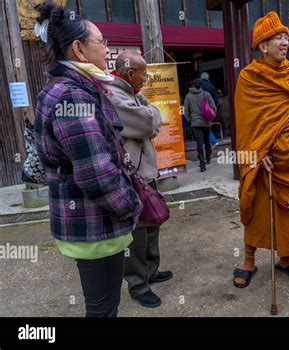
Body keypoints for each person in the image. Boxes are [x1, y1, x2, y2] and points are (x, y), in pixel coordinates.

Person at [34, 2, 143, 317]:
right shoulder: (72, 96)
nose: (108, 48)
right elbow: (96, 175)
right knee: (102, 309)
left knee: (104, 305)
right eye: (102, 41)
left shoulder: (73, 88)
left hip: (90, 222)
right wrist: (132, 205)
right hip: (94, 223)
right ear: (79, 50)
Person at [233, 12, 289, 288]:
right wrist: (257, 155)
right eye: (277, 38)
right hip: (264, 160)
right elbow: (247, 124)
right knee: (258, 209)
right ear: (263, 46)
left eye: (286, 37)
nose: (285, 42)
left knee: (288, 213)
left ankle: (285, 258)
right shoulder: (249, 78)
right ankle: (249, 260)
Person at [108, 50, 172, 308]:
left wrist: (150, 115)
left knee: (153, 224)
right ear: (131, 73)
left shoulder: (132, 93)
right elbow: (149, 123)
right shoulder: (114, 95)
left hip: (145, 174)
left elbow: (156, 117)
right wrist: (150, 115)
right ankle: (137, 283)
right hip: (131, 178)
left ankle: (151, 271)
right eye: (144, 73)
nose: (147, 77)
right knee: (137, 235)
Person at [183, 78, 217, 172]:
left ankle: (202, 164)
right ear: (201, 85)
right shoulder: (206, 94)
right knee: (207, 141)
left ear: (193, 85)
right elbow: (213, 107)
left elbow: (186, 111)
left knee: (199, 143)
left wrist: (190, 120)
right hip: (207, 122)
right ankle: (208, 157)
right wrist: (211, 117)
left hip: (195, 123)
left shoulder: (188, 96)